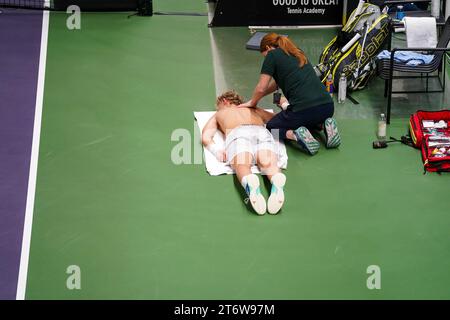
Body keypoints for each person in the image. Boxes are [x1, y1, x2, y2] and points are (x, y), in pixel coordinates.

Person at [237, 33, 341, 156]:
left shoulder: (272, 55)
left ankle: (295, 135)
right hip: (327, 107)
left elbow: (261, 87)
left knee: (271, 128)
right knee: (309, 120)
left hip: (303, 111)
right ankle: (324, 125)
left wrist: (252, 102)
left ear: (268, 48)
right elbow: (278, 83)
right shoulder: (297, 52)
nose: (265, 58)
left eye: (263, 55)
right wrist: (264, 95)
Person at [202, 90, 287, 215]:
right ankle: (275, 179)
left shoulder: (220, 113)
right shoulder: (255, 109)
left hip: (238, 133)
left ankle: (250, 182)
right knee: (268, 163)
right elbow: (278, 120)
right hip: (261, 132)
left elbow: (206, 136)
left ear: (225, 101)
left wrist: (216, 151)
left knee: (242, 164)